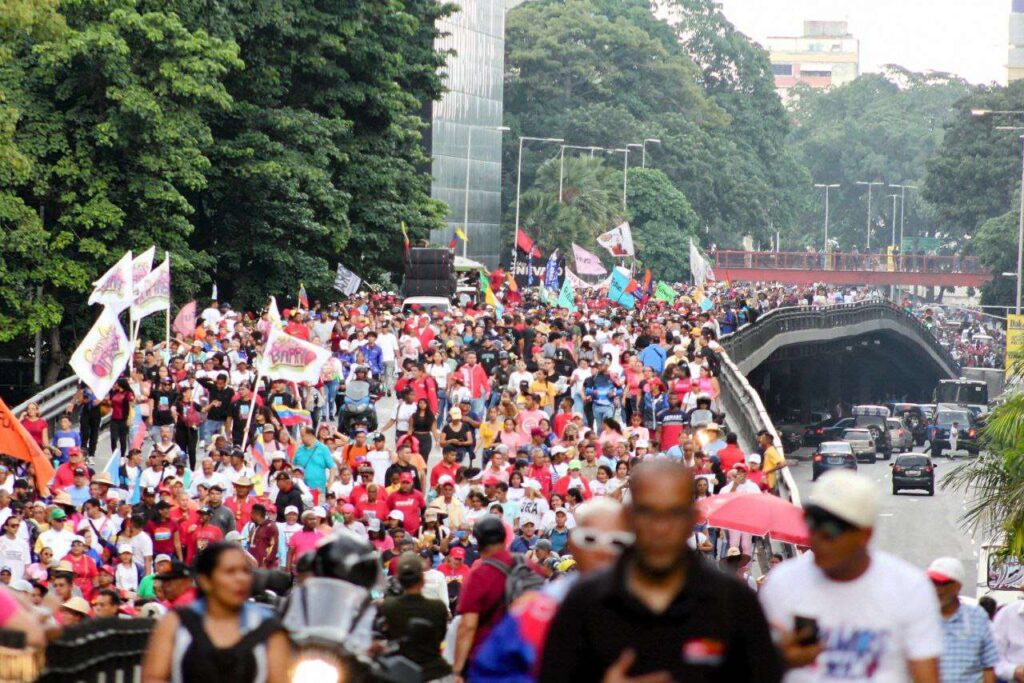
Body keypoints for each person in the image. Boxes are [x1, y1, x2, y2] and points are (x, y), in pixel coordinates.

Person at [539, 459, 782, 683]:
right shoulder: (585, 602)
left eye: (673, 513)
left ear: (691, 520)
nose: (660, 527)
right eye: (648, 512)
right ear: (628, 518)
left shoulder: (733, 602)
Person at [759, 470, 942, 682]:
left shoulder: (909, 588)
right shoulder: (782, 583)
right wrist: (780, 661)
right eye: (812, 524)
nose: (818, 539)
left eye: (831, 530)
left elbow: (926, 675)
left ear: (865, 535)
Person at [142, 542, 290, 683]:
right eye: (230, 572)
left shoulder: (268, 628)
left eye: (245, 571)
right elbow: (154, 677)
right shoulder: (175, 624)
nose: (241, 579)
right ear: (205, 581)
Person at [453, 515, 540, 680]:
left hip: (489, 659)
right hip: (526, 656)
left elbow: (468, 625)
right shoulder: (527, 565)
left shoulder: (479, 573)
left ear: (479, 541)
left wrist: (458, 669)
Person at [379, 552, 452, 682]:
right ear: (423, 579)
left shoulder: (389, 606)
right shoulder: (437, 607)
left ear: (399, 579)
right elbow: (440, 635)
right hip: (434, 672)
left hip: (401, 671)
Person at [925, 557, 997, 683]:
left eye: (941, 583)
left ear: (957, 586)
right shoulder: (920, 618)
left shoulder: (977, 617)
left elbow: (989, 666)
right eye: (932, 582)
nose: (936, 589)